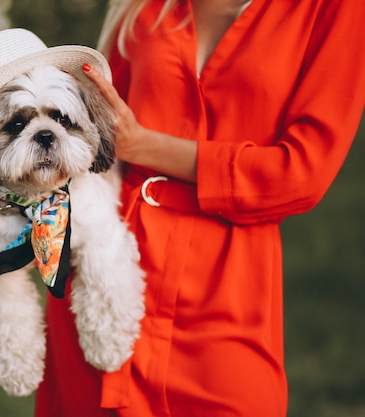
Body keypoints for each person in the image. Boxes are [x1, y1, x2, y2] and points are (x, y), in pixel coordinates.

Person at [34, 0, 365, 416]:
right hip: (106, 280)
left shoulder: (332, 8)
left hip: (229, 289)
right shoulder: (143, 6)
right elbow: (95, 135)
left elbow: (301, 175)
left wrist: (146, 146)